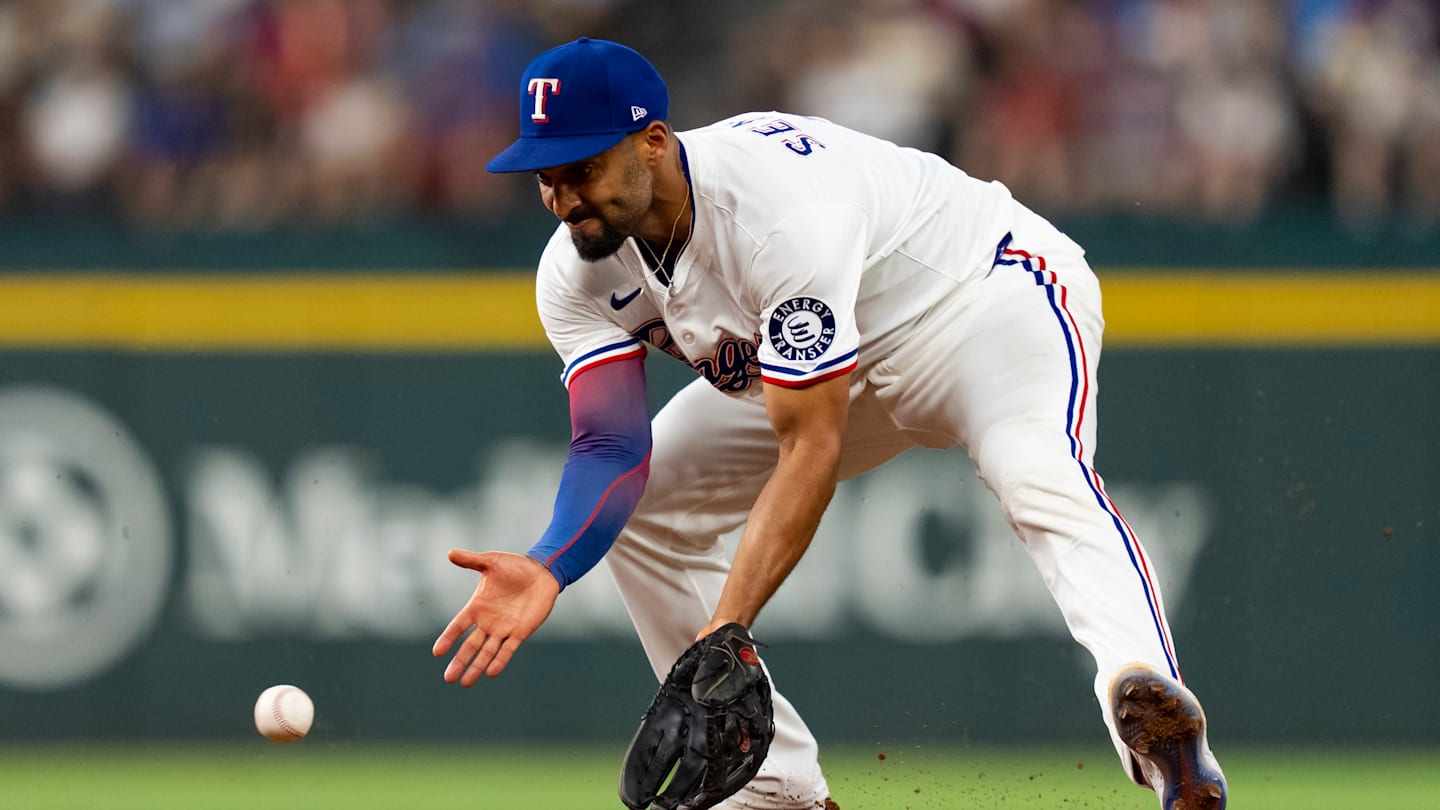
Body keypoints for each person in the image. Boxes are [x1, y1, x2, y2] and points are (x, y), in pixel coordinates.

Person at [431, 37, 1228, 810]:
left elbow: (810, 445)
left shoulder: (775, 212)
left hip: (976, 299)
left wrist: (727, 632)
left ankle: (1151, 709)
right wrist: (549, 564)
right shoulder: (574, 269)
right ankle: (774, 792)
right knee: (643, 512)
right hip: (824, 361)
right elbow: (611, 445)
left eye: (583, 169)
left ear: (652, 142)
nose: (564, 197)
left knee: (1038, 476)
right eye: (545, 176)